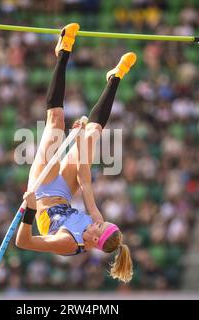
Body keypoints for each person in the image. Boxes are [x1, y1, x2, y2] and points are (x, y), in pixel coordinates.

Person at [15, 23, 136, 283]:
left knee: (56, 122)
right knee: (92, 135)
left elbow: (23, 242)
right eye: (100, 222)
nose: (95, 221)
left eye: (97, 226)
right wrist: (79, 138)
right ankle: (115, 78)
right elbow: (83, 174)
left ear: (93, 240)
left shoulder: (67, 244)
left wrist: (30, 210)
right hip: (65, 193)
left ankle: (63, 50)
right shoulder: (96, 218)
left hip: (43, 194)